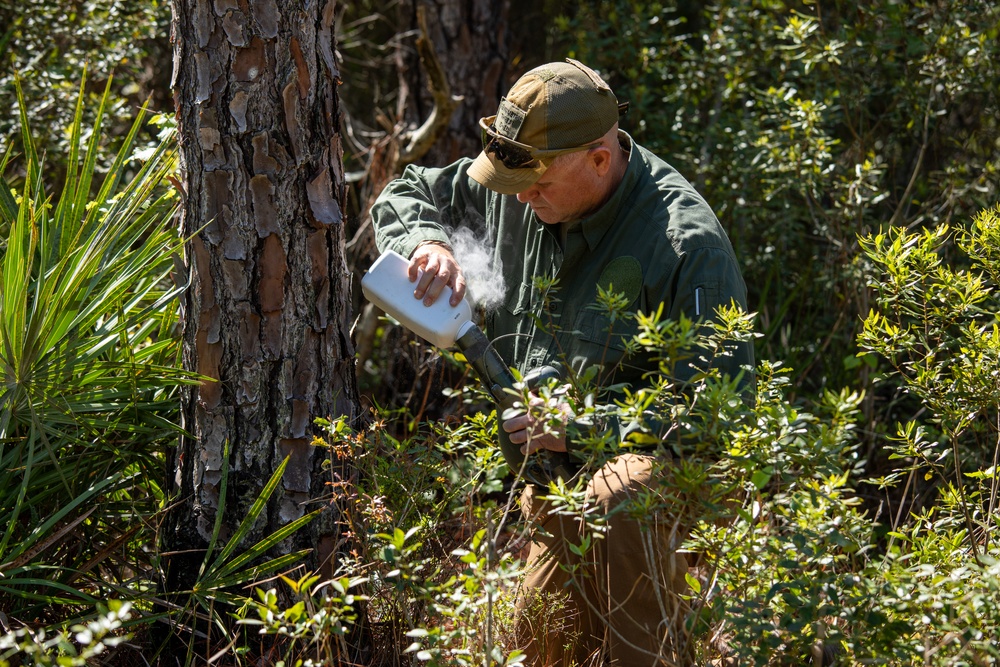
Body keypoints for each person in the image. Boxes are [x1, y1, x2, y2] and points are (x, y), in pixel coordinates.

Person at [370, 59, 753, 666]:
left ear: (599, 159)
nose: (522, 197)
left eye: (539, 184)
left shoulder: (687, 246)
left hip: (659, 484)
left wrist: (581, 426)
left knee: (621, 498)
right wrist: (428, 242)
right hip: (559, 486)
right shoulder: (520, 186)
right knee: (541, 645)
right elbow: (406, 189)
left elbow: (714, 418)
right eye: (512, 181)